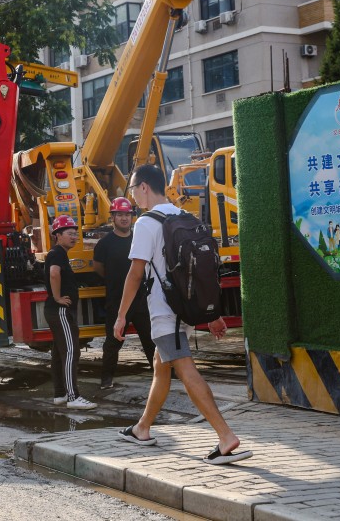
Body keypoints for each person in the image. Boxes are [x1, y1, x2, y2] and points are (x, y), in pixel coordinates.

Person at [114, 164, 252, 465]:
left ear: (144, 187)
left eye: (134, 190)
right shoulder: (184, 216)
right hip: (186, 309)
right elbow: (202, 270)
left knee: (185, 370)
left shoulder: (147, 223)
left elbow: (135, 274)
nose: (134, 198)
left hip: (166, 313)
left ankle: (226, 436)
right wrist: (211, 313)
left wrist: (121, 315)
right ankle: (142, 428)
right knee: (160, 365)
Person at [93, 196, 155, 390]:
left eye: (127, 214)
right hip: (117, 300)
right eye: (119, 214)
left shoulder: (139, 239)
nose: (124, 218)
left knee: (151, 339)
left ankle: (161, 375)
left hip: (141, 299)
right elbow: (99, 268)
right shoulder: (104, 244)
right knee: (113, 342)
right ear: (112, 217)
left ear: (132, 216)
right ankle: (106, 380)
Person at [43, 215, 97, 410]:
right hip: (60, 311)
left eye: (76, 234)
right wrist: (57, 297)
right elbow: (54, 273)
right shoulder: (57, 253)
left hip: (57, 311)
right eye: (70, 234)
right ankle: (73, 397)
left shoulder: (58, 253)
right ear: (57, 235)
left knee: (59, 353)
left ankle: (60, 394)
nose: (74, 237)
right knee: (71, 351)